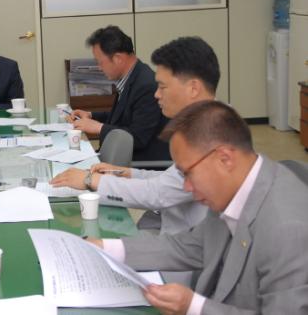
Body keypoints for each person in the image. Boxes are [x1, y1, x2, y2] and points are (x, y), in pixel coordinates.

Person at [86, 101, 308, 314]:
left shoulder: (287, 229)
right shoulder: (232, 186)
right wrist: (102, 248)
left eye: (188, 173)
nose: (186, 187)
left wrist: (192, 307)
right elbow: (191, 246)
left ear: (224, 159)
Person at [52, 37, 219, 234]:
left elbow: (158, 193)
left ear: (193, 89)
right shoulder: (203, 123)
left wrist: (90, 180)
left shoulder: (210, 135)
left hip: (180, 239)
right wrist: (124, 172)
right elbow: (172, 179)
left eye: (163, 87)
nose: (157, 94)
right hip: (165, 221)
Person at [70, 26, 168, 162]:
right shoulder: (132, 77)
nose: (99, 68)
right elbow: (123, 117)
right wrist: (91, 115)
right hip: (119, 159)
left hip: (137, 165)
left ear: (117, 58)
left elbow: (138, 138)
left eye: (100, 62)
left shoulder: (146, 86)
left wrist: (99, 128)